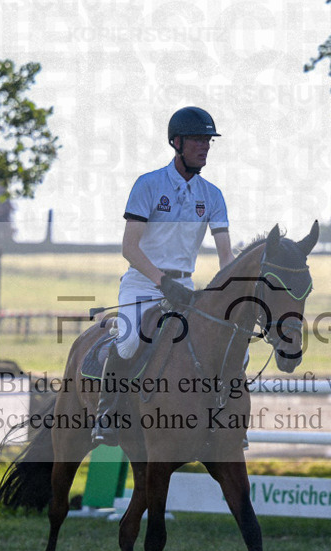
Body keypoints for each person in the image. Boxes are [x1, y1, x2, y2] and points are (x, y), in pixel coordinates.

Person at [91, 106, 235, 446]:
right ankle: (107, 411)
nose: (205, 147)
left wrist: (237, 289)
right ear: (177, 142)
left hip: (185, 288)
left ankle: (219, 416)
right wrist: (161, 281)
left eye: (208, 141)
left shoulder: (212, 196)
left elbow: (226, 255)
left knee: (219, 345)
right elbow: (130, 247)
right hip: (143, 284)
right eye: (198, 140)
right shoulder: (149, 185)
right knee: (128, 342)